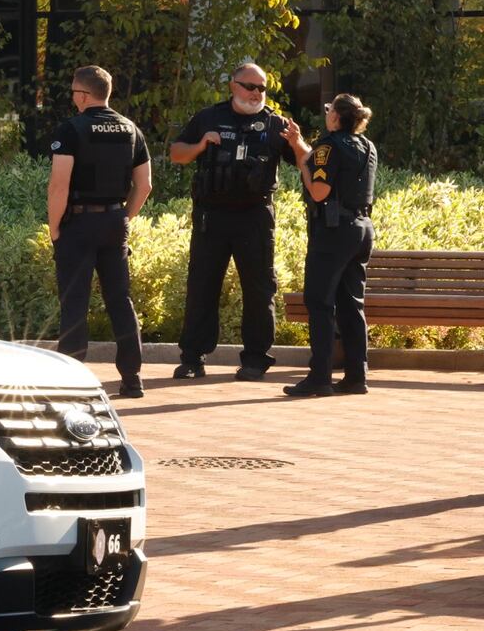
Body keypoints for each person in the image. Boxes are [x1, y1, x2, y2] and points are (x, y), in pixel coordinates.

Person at [169, 62, 302, 382]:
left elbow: (304, 161)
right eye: (250, 86)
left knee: (259, 288)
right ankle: (192, 358)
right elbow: (176, 153)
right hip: (211, 215)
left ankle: (255, 359)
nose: (256, 93)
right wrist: (201, 145)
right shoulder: (208, 117)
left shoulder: (276, 124)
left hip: (255, 216)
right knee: (202, 286)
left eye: (262, 88)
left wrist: (297, 142)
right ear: (233, 85)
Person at [47, 65, 152, 398]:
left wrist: (54, 229)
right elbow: (145, 185)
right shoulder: (131, 129)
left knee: (75, 302)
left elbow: (58, 185)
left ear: (83, 94)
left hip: (78, 223)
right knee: (120, 300)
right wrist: (125, 216)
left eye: (73, 93)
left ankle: (71, 380)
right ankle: (132, 378)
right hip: (113, 221)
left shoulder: (72, 130)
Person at [283, 94, 377, 398]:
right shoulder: (366, 146)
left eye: (328, 110)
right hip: (362, 230)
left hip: (334, 232)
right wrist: (300, 147)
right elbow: (328, 161)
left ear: (335, 117)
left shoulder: (328, 145)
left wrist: (303, 166)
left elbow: (320, 191)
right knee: (352, 304)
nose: (326, 115)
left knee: (320, 303)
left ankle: (319, 377)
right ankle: (355, 376)